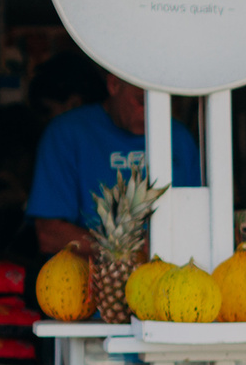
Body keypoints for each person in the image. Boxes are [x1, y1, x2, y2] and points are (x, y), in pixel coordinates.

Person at [26, 64, 200, 255]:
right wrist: (127, 254)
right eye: (141, 101)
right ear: (114, 85)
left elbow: (197, 222)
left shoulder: (179, 138)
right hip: (89, 277)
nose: (149, 113)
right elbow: (49, 234)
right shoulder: (67, 133)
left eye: (160, 104)